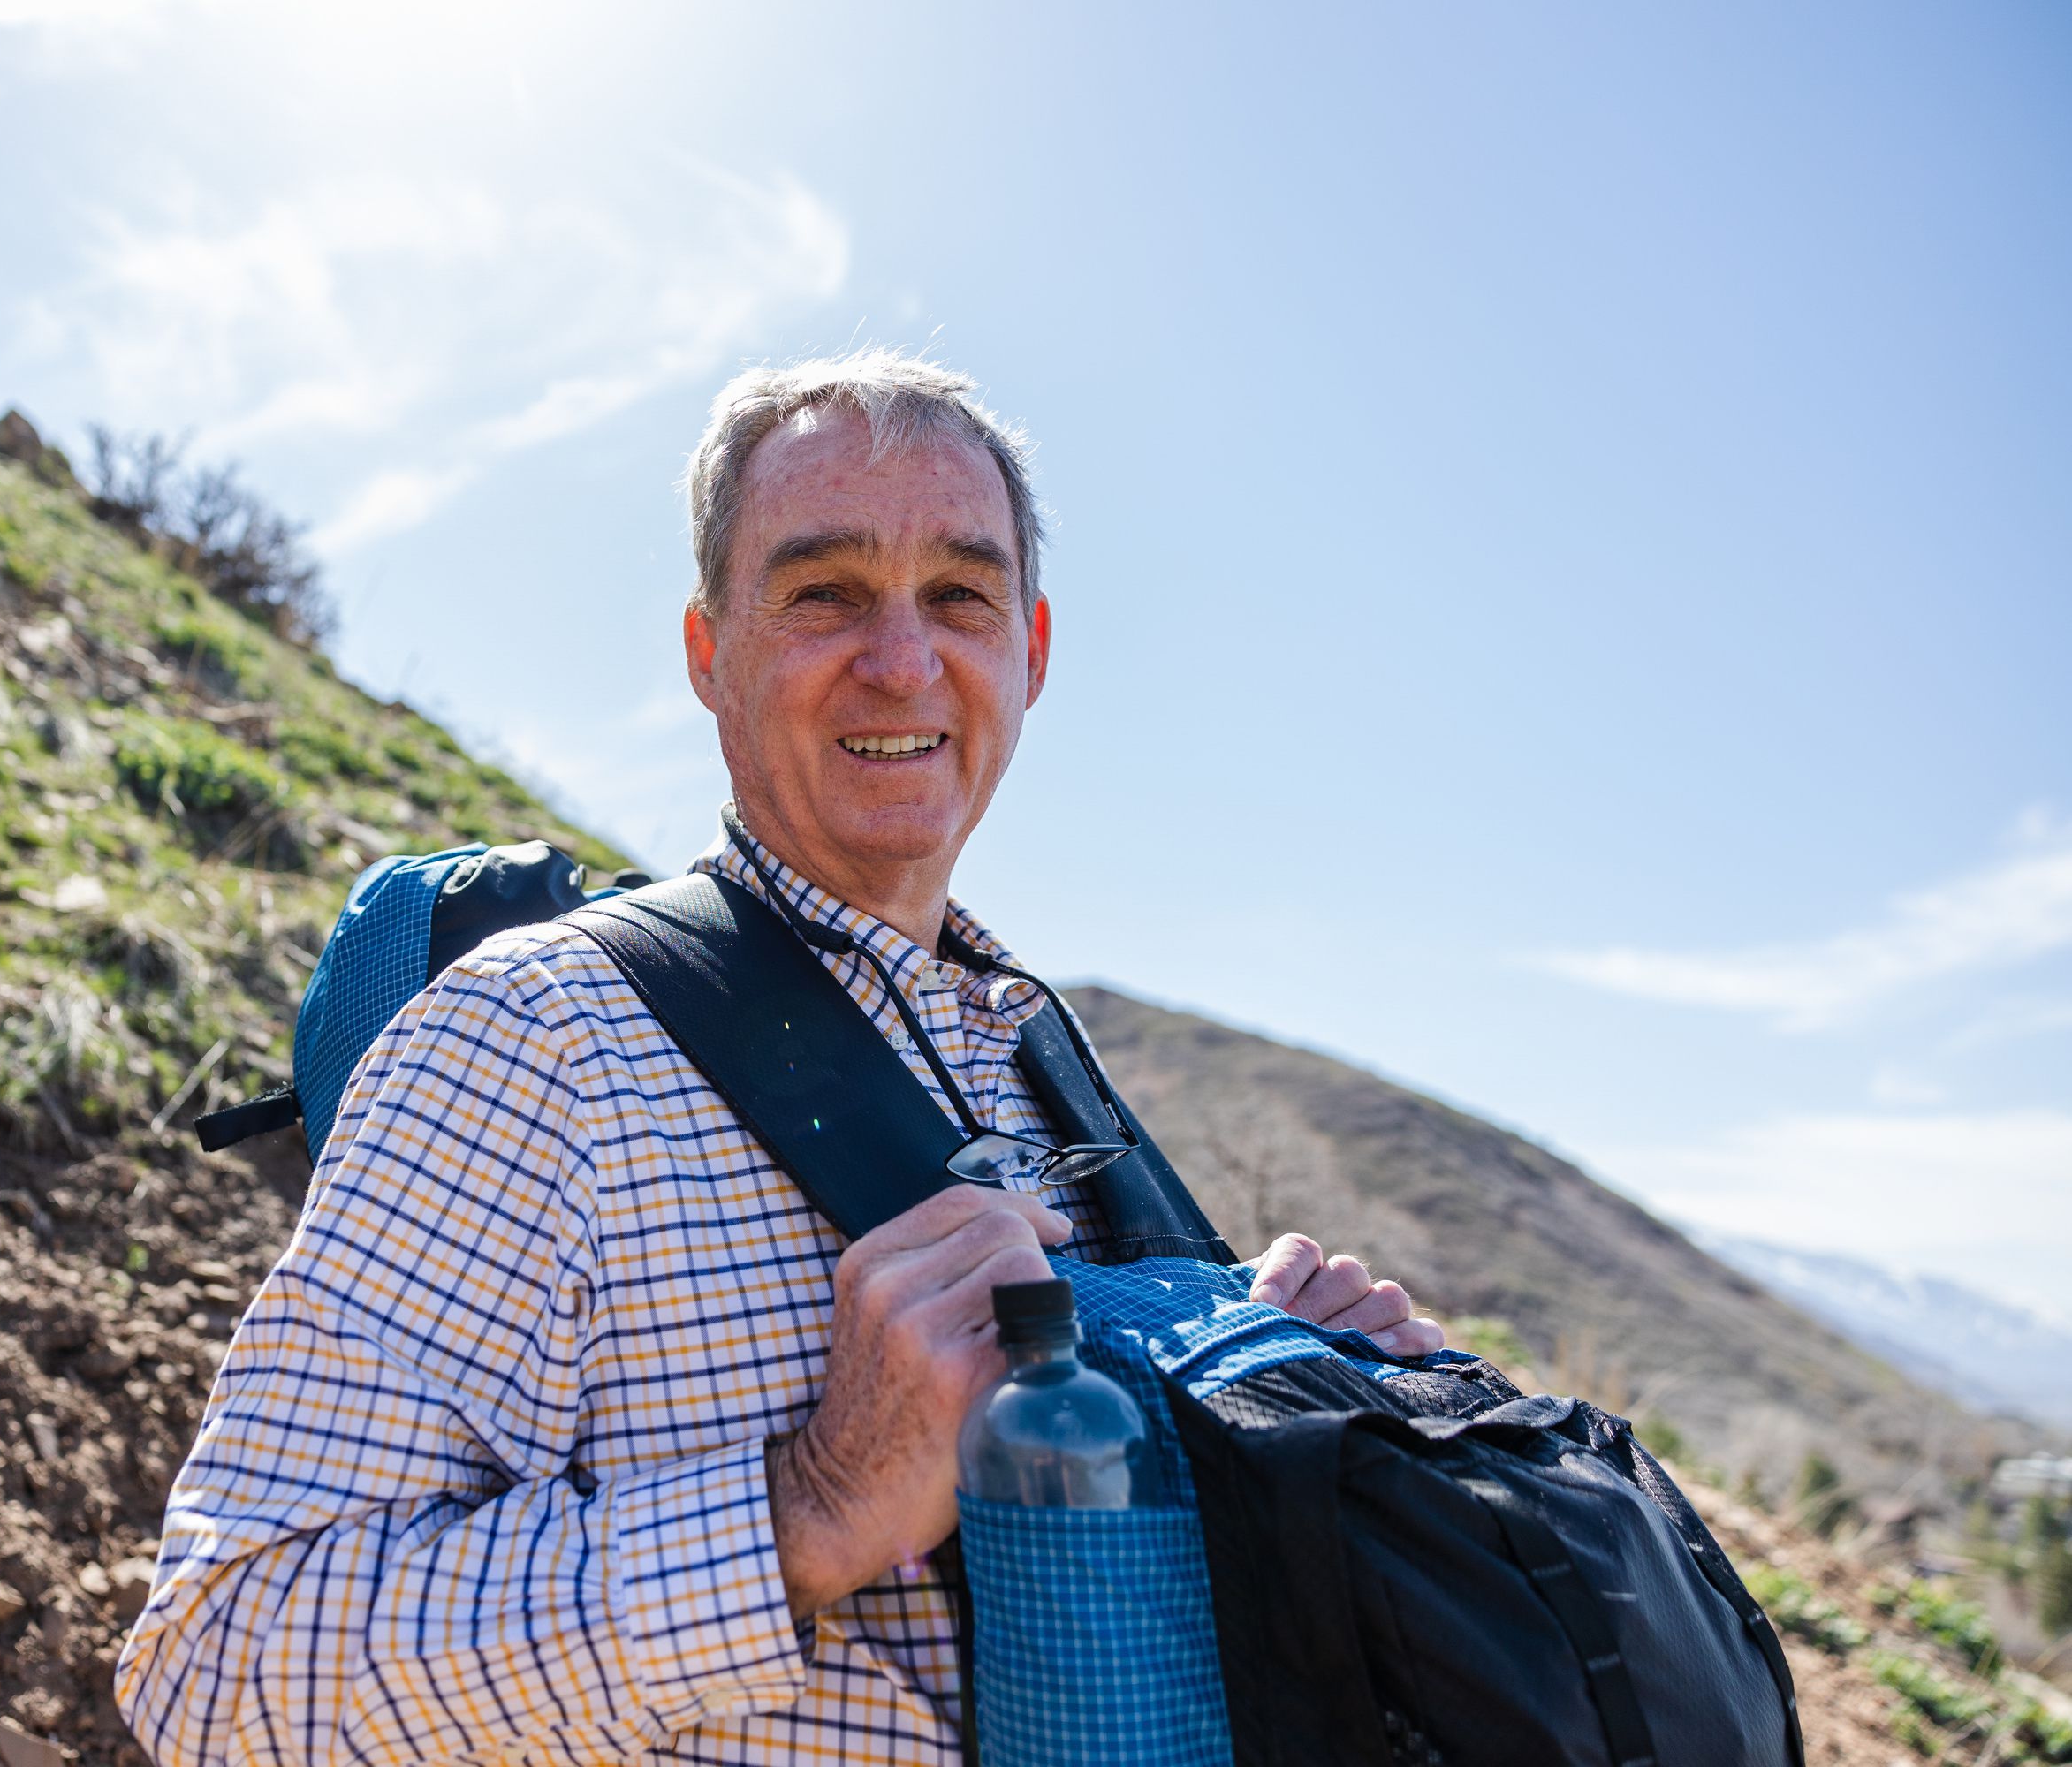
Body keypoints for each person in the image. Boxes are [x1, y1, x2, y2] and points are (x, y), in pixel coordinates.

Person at [117, 351, 1445, 1765]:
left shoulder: (1037, 1051)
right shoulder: (536, 1042)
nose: (902, 659)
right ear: (710, 652)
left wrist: (1300, 1395)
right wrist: (807, 1510)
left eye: (959, 596)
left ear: (1031, 652)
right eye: (823, 593)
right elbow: (218, 1667)